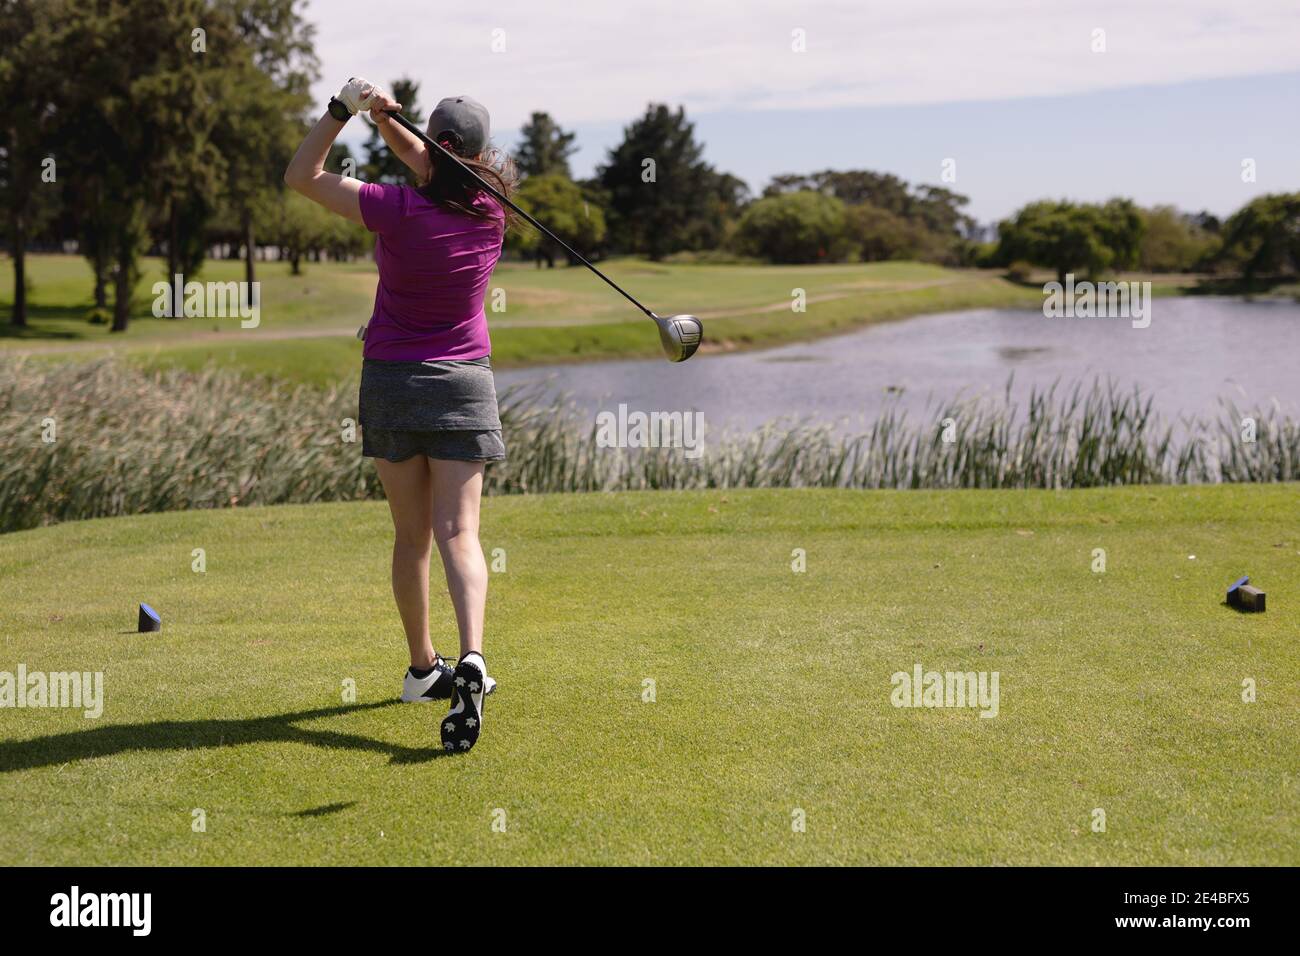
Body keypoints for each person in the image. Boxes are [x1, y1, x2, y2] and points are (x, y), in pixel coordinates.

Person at [284, 77, 516, 753]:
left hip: (391, 380)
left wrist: (345, 111)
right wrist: (388, 120)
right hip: (464, 383)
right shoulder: (491, 211)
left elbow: (304, 174)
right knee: (459, 534)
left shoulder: (390, 208)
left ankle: (423, 669)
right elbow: (434, 165)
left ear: (432, 145)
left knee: (410, 536)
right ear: (475, 154)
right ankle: (471, 656)